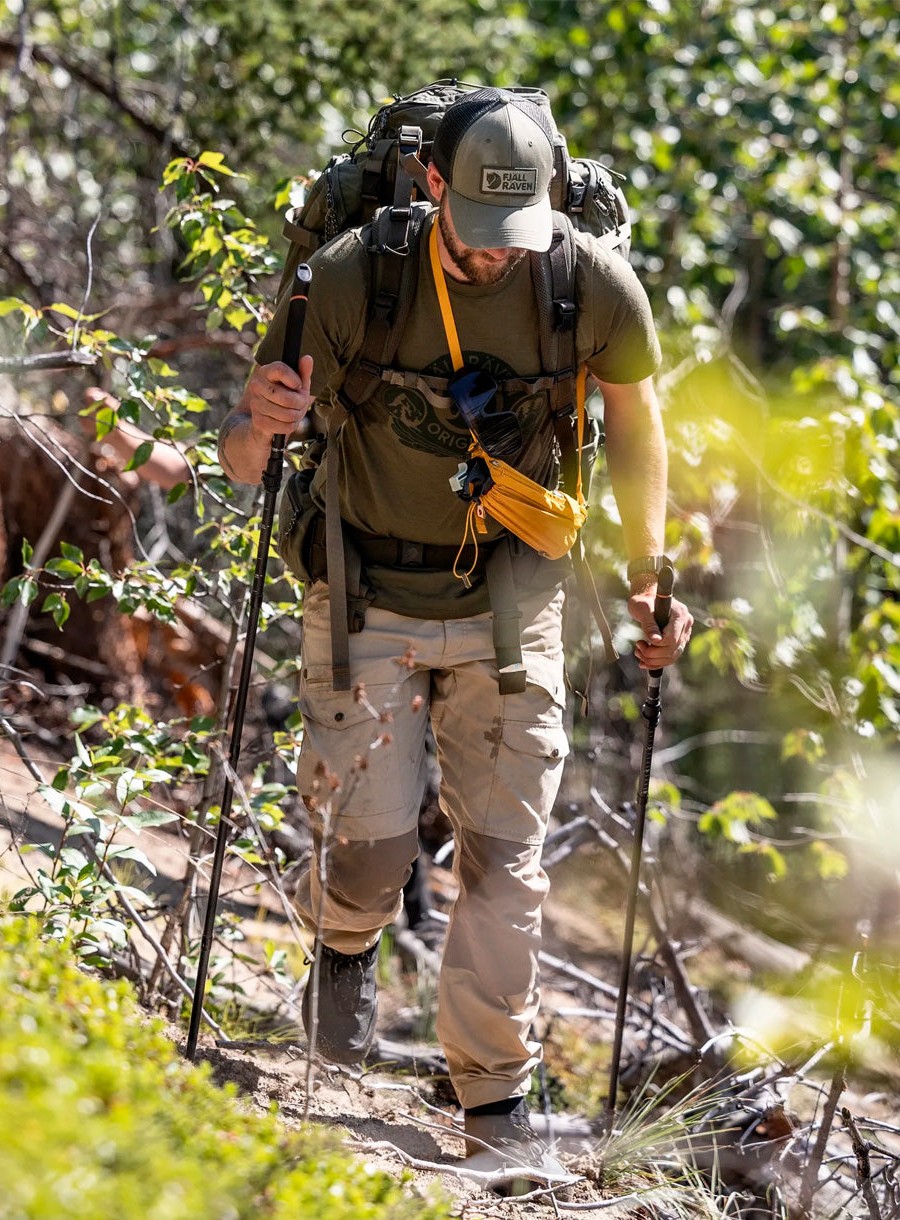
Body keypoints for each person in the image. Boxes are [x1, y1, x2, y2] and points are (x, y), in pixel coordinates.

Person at [217, 87, 693, 1178]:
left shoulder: (586, 284)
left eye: (513, 240)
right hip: (369, 587)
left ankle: (494, 1103)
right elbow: (250, 453)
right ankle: (344, 943)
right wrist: (262, 425)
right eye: (475, 237)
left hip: (515, 601)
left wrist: (651, 571)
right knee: (373, 849)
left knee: (504, 862)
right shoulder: (348, 277)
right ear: (431, 184)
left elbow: (637, 421)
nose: (494, 260)